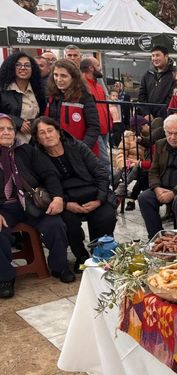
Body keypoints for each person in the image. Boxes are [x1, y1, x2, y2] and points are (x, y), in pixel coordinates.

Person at [0, 113, 74, 299]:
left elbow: (49, 174)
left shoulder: (26, 151)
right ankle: (5, 278)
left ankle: (59, 267)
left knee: (55, 224)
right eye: (1, 129)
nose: (6, 132)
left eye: (9, 128)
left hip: (32, 202)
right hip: (4, 207)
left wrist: (57, 197)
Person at [32, 116, 117, 273]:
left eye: (50, 130)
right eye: (42, 133)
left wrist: (99, 200)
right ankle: (82, 256)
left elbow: (100, 173)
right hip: (66, 199)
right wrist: (66, 204)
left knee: (106, 215)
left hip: (93, 194)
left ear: (58, 131)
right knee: (68, 221)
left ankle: (100, 254)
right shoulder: (38, 157)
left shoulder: (77, 146)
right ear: (37, 138)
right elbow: (42, 187)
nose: (47, 135)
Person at [139, 114, 177, 239]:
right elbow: (153, 171)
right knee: (144, 197)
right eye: (169, 133)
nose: (172, 137)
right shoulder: (160, 144)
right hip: (162, 187)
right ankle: (156, 236)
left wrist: (173, 192)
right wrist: (156, 189)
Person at [45, 60, 100, 154]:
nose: (58, 79)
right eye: (55, 75)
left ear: (73, 78)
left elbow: (93, 127)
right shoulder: (52, 97)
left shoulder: (84, 97)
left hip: (80, 151)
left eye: (63, 76)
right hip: (57, 150)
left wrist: (83, 149)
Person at [0, 52, 46, 144]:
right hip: (9, 143)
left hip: (34, 142)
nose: (23, 68)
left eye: (27, 65)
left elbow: (43, 114)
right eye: (18, 65)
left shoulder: (39, 91)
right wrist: (17, 122)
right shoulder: (2, 91)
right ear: (11, 67)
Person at [80, 57, 111, 166]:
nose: (100, 68)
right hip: (95, 128)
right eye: (98, 65)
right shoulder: (83, 86)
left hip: (104, 127)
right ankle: (110, 180)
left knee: (103, 158)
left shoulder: (97, 86)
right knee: (104, 160)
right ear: (91, 68)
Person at [138, 45, 175, 121]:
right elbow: (141, 96)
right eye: (153, 56)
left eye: (158, 55)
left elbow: (171, 98)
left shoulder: (173, 76)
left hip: (165, 119)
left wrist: (158, 117)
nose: (155, 58)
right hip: (147, 119)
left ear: (166, 56)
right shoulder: (147, 74)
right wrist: (146, 113)